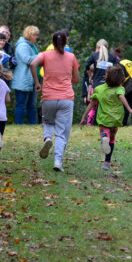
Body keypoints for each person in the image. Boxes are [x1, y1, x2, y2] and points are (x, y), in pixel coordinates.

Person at [30, 31, 80, 172]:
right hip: (66, 99)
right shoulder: (71, 57)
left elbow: (33, 64)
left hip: (48, 97)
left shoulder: (45, 55)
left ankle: (47, 138)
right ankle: (58, 161)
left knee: (47, 122)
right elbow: (76, 79)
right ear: (66, 43)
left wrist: (37, 83)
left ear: (52, 43)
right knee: (61, 132)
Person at [80, 65, 132, 170]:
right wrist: (130, 110)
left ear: (107, 77)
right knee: (112, 139)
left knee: (104, 133)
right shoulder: (120, 89)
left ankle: (104, 138)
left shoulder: (99, 89)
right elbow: (121, 97)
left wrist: (84, 117)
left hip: (104, 118)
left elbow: (91, 104)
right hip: (116, 119)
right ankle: (107, 162)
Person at [82, 39, 119, 124]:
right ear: (107, 47)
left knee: (93, 107)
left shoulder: (94, 56)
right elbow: (118, 67)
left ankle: (89, 124)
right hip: (108, 86)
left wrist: (90, 75)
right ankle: (107, 124)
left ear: (97, 47)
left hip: (96, 85)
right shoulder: (112, 57)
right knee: (108, 106)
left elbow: (87, 65)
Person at [13, 26, 40, 124]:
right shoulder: (22, 46)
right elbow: (27, 59)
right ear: (30, 35)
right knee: (21, 104)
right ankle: (19, 123)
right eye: (35, 35)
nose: (37, 37)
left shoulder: (32, 45)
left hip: (32, 80)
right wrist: (41, 56)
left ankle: (33, 123)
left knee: (32, 104)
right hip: (22, 79)